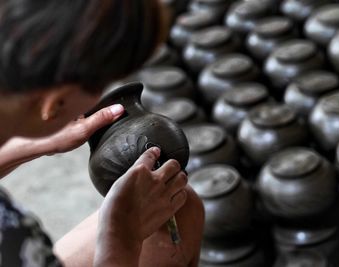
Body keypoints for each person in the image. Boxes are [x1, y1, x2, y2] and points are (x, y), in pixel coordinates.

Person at [0, 0, 204, 266]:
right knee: (161, 233)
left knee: (178, 207)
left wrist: (39, 139)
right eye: (101, 85)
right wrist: (121, 237)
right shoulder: (15, 239)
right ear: (55, 103)